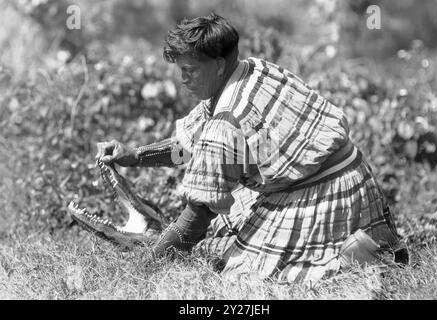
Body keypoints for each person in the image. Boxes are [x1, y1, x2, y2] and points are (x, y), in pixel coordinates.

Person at [95, 13, 404, 285]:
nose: (183, 79)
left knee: (242, 270)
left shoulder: (226, 118)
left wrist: (148, 265)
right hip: (356, 175)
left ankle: (350, 254)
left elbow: (198, 215)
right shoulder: (253, 70)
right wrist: (135, 156)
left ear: (217, 66)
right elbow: (189, 147)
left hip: (325, 195)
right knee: (232, 212)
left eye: (189, 70)